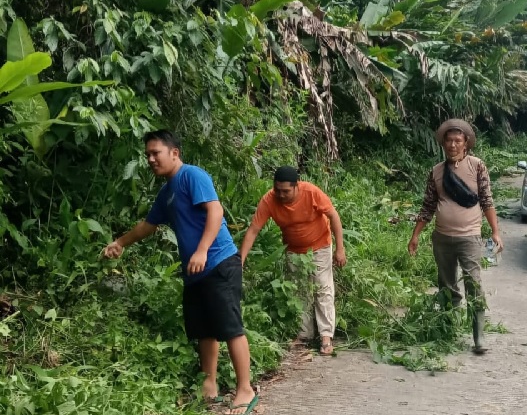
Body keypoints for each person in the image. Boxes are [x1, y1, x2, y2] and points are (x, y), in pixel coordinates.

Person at [102, 130, 258, 415]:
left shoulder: (192, 176)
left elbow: (215, 211)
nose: (150, 159)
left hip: (219, 262)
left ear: (174, 153)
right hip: (195, 273)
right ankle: (209, 386)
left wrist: (201, 250)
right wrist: (120, 242)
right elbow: (148, 226)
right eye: (147, 154)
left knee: (229, 326)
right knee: (204, 331)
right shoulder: (167, 192)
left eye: (156, 153)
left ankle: (245, 389)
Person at [407, 119, 504, 355]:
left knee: (474, 284)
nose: (452, 145)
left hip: (469, 238)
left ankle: (479, 337)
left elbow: (486, 200)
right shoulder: (437, 171)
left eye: (457, 141)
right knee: (447, 285)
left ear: (466, 144)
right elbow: (428, 205)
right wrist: (415, 235)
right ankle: (448, 329)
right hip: (442, 238)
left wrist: (495, 231)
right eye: (448, 141)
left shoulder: (477, 166)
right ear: (443, 143)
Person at [239, 166, 346, 355]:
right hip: (294, 251)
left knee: (322, 289)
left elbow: (333, 216)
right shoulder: (269, 200)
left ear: (297, 186)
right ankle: (304, 335)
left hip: (320, 245)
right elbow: (254, 229)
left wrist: (340, 249)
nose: (281, 195)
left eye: (286, 191)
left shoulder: (311, 193)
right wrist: (240, 259)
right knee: (299, 291)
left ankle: (326, 337)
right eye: (277, 190)